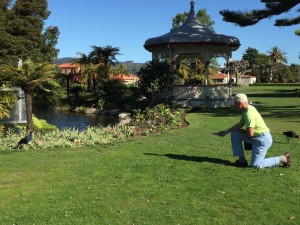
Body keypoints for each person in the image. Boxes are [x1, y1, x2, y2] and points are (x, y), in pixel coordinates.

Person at [216, 93, 291, 168]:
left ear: (240, 103)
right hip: (256, 138)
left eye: (235, 103)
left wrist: (243, 132)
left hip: (262, 140)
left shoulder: (249, 114)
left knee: (256, 165)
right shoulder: (247, 109)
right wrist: (226, 131)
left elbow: (250, 134)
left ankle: (283, 158)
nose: (234, 106)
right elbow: (240, 124)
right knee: (235, 133)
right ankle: (241, 161)